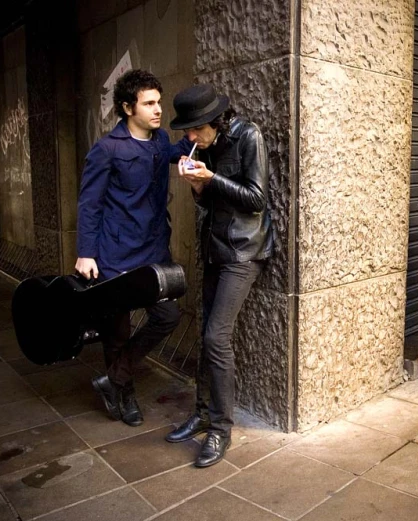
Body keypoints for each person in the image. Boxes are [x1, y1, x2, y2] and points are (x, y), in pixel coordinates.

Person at [164, 84, 273, 468]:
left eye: (193, 130)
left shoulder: (249, 136)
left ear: (212, 122)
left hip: (244, 252)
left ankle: (221, 430)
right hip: (214, 249)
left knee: (216, 335)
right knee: (204, 331)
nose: (190, 138)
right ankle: (203, 411)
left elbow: (257, 198)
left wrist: (211, 179)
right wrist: (198, 188)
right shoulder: (206, 148)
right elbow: (212, 201)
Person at [76, 69, 181, 427]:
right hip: (115, 253)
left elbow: (175, 151)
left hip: (154, 251)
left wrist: (206, 133)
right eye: (149, 103)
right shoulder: (107, 149)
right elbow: (90, 203)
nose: (157, 109)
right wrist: (86, 252)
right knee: (116, 332)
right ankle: (125, 394)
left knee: (167, 317)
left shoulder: (160, 140)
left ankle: (113, 379)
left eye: (159, 102)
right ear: (127, 107)